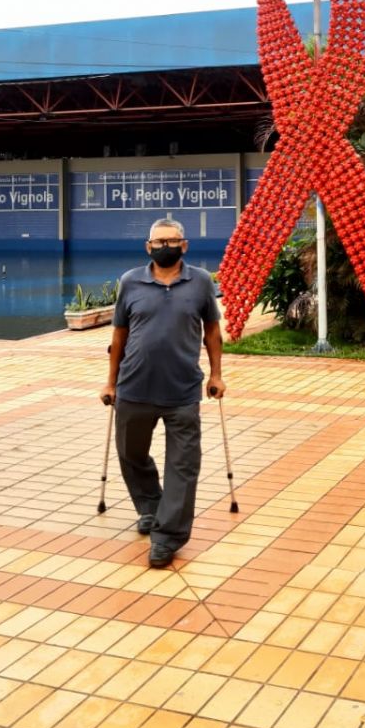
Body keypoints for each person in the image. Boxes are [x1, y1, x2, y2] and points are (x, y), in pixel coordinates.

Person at [100, 217, 225, 568]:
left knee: (183, 466)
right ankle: (150, 507)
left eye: (171, 241)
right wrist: (110, 382)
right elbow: (118, 337)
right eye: (158, 242)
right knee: (131, 454)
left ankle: (167, 537)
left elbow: (212, 333)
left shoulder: (200, 282)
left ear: (184, 245)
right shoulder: (130, 282)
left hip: (183, 390)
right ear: (148, 247)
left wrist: (216, 375)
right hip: (134, 387)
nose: (164, 247)